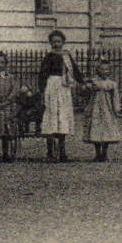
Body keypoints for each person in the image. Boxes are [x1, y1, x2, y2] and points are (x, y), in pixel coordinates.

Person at [38, 29, 83, 162]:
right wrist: (42, 90)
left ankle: (62, 151)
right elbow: (42, 75)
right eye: (54, 42)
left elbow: (74, 71)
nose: (56, 44)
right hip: (52, 86)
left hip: (64, 88)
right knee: (51, 116)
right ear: (50, 43)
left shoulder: (66, 56)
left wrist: (82, 81)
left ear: (63, 42)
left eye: (59, 41)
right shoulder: (49, 56)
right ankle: (50, 152)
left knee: (62, 116)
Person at [81, 55, 122, 161]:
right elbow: (85, 92)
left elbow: (115, 97)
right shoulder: (93, 82)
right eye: (103, 69)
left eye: (107, 69)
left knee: (106, 130)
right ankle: (97, 153)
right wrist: (87, 85)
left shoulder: (111, 84)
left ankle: (104, 153)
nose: (106, 71)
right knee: (95, 129)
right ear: (98, 70)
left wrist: (116, 108)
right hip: (95, 109)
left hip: (107, 110)